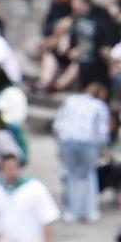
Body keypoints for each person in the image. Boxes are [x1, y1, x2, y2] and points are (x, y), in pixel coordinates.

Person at [51, 82, 111, 225]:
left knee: (71, 175)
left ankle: (73, 211)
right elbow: (102, 131)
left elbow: (58, 124)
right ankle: (90, 210)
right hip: (88, 142)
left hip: (68, 140)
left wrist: (60, 145)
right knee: (90, 174)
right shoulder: (99, 106)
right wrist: (103, 147)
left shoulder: (70, 101)